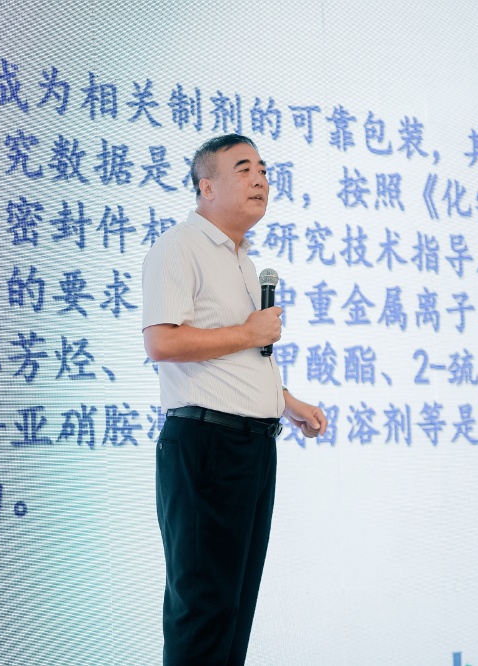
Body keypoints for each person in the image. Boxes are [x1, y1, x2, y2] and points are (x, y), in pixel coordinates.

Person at [141, 133, 326, 665]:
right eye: (244, 169)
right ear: (206, 187)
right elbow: (162, 342)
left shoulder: (243, 260)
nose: (260, 179)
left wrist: (287, 403)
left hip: (251, 448)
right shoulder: (181, 246)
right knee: (204, 609)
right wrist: (249, 332)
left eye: (263, 169)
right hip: (207, 446)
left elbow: (235, 359)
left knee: (235, 607)